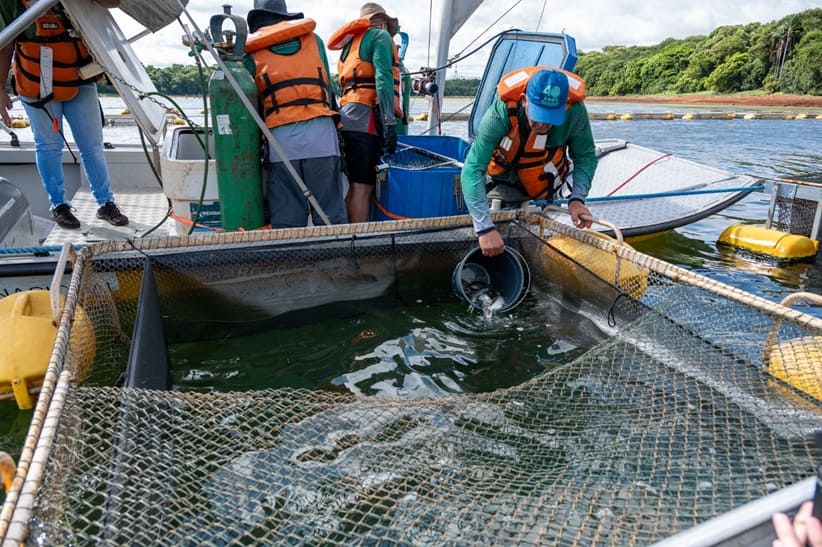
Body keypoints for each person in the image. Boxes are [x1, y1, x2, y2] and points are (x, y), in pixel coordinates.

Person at [0, 0, 128, 230]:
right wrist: (0, 88)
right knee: (48, 145)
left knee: (92, 145)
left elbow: (113, 2)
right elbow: (6, 41)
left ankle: (106, 203)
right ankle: (59, 205)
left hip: (79, 79)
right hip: (36, 83)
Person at [460, 66, 598, 257]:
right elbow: (473, 168)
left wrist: (577, 198)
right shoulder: (500, 112)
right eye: (538, 115)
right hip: (502, 182)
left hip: (545, 185)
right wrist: (484, 228)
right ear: (524, 100)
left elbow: (585, 157)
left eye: (551, 118)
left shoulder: (575, 113)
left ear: (565, 106)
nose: (542, 125)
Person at [244, 0, 348, 228]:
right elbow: (327, 88)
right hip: (322, 134)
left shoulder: (250, 52)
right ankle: (338, 256)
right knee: (330, 209)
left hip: (281, 140)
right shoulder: (314, 40)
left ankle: (291, 258)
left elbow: (250, 98)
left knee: (288, 212)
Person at [329, 2, 402, 223]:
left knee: (354, 183)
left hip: (347, 116)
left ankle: (349, 234)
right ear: (381, 22)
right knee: (364, 186)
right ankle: (359, 241)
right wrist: (389, 121)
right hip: (365, 117)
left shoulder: (349, 46)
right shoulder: (379, 37)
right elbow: (383, 78)